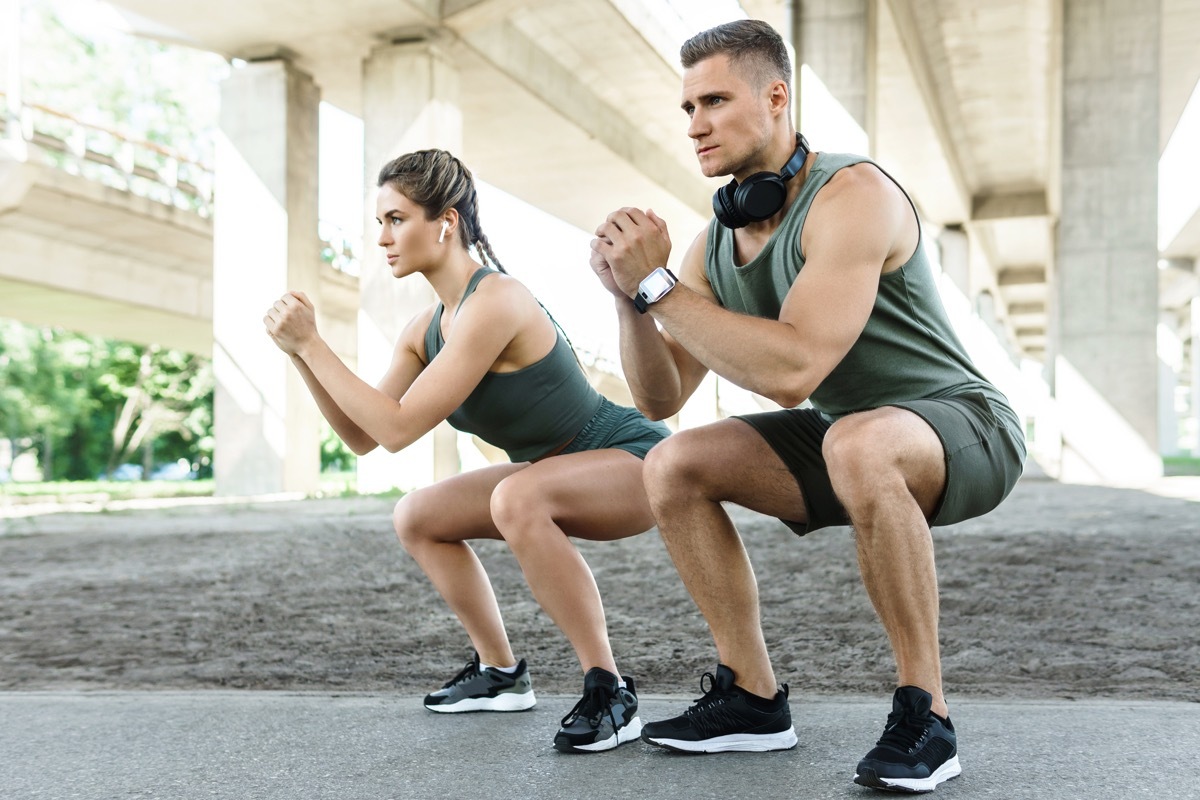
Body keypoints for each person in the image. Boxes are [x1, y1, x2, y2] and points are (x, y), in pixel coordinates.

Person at [589, 19, 1025, 793]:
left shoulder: (854, 194)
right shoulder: (712, 246)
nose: (696, 125)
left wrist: (661, 289)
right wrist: (631, 302)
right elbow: (661, 398)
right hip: (845, 438)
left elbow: (794, 368)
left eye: (715, 101)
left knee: (859, 442)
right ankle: (752, 701)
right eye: (687, 108)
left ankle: (928, 716)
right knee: (674, 462)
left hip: (963, 426)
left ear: (776, 96)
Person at [263, 148, 669, 753]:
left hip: (631, 460)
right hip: (546, 472)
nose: (382, 239)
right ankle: (501, 673)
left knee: (516, 495)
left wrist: (315, 343)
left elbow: (399, 428)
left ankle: (610, 690)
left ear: (445, 222)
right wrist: (300, 354)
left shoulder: (497, 301)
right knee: (418, 516)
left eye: (396, 220)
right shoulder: (424, 329)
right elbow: (364, 435)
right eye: (380, 223)